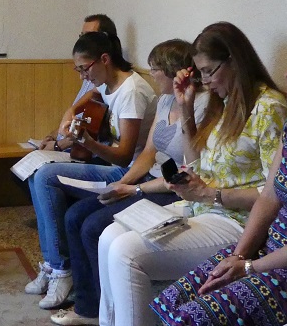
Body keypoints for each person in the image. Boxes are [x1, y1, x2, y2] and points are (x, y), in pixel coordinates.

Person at [97, 21, 287, 326]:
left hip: (236, 220)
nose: (205, 81)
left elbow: (275, 193)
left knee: (126, 252)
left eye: (209, 71)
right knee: (108, 236)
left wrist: (211, 194)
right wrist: (186, 110)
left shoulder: (268, 109)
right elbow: (196, 163)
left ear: (235, 61)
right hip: (201, 207)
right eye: (199, 72)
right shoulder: (225, 103)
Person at [150, 35, 287, 326]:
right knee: (174, 300)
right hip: (264, 245)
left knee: (192, 317)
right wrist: (239, 256)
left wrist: (249, 266)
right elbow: (269, 197)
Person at [51, 39, 209, 326]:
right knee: (75, 215)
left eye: (155, 69)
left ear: (173, 71)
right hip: (147, 179)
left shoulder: (202, 103)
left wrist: (133, 189)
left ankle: (108, 314)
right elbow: (148, 153)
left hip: (173, 188)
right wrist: (121, 184)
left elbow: (191, 165)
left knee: (94, 226)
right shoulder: (164, 101)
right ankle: (88, 307)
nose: (151, 75)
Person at [24, 31, 157, 310]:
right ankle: (52, 264)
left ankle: (62, 269)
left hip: (132, 172)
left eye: (85, 69)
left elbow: (123, 158)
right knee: (37, 172)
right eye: (78, 70)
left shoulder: (132, 92)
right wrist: (71, 111)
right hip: (111, 163)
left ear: (105, 59)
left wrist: (88, 142)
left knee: (47, 175)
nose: (83, 77)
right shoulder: (109, 84)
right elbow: (95, 95)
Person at [38, 14, 118, 152]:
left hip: (85, 149)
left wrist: (57, 146)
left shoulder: (102, 76)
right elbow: (75, 116)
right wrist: (53, 135)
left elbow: (89, 131)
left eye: (89, 36)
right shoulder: (91, 74)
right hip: (70, 141)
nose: (83, 41)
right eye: (81, 36)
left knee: (43, 172)